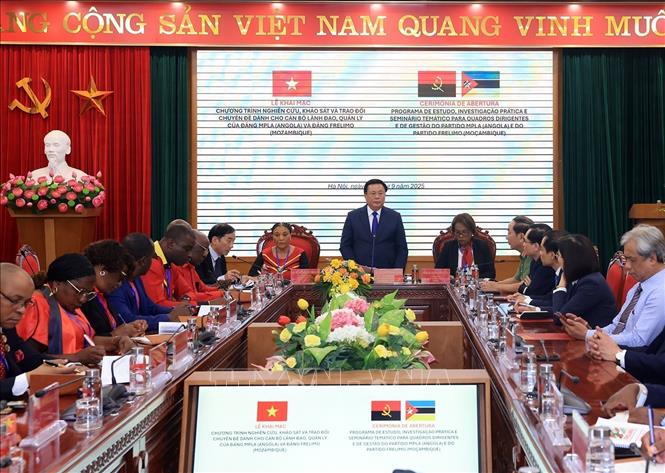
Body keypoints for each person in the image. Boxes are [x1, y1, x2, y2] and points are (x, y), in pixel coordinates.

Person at [16, 254, 134, 364]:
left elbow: (86, 340)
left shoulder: (70, 304)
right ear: (57, 284)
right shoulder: (37, 304)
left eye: (88, 293)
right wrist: (76, 357)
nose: (83, 299)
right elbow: (26, 357)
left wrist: (115, 342)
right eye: (79, 291)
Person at [561, 225, 665, 347]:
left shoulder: (660, 292)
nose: (626, 266)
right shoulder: (638, 287)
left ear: (652, 259)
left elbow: (639, 340)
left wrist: (587, 334)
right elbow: (616, 327)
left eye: (632, 260)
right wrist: (591, 331)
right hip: (614, 351)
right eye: (625, 259)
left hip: (632, 356)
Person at [1, 263, 75, 400]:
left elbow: (31, 358)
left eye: (26, 303)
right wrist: (29, 378)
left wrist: (68, 366)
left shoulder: (6, 330)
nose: (22, 310)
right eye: (15, 300)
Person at [108, 233, 190, 332]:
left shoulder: (137, 279)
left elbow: (149, 307)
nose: (153, 262)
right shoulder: (116, 284)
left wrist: (175, 310)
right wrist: (169, 317)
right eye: (151, 258)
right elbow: (127, 320)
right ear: (143, 261)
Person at [81, 240, 148, 337]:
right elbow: (86, 339)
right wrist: (115, 334)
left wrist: (130, 328)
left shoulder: (104, 295)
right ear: (103, 270)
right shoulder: (83, 298)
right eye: (120, 277)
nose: (120, 284)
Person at [548, 234, 616, 328]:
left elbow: (560, 318)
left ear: (569, 259)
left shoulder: (591, 284)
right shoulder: (580, 278)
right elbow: (560, 308)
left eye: (558, 255)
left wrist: (561, 286)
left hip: (595, 335)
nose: (557, 260)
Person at [340, 178, 408, 270]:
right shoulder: (353, 217)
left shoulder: (395, 217)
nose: (377, 197)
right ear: (365, 196)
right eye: (373, 193)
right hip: (359, 274)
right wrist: (354, 268)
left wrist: (396, 272)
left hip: (387, 273)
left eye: (380, 193)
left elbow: (402, 248)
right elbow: (345, 246)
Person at [509, 230, 568, 312]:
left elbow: (558, 308)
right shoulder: (558, 272)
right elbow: (549, 297)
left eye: (542, 250)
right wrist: (526, 299)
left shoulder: (564, 275)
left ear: (552, 255)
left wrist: (531, 304)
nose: (540, 254)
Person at [141, 223, 198, 307]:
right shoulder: (151, 261)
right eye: (187, 249)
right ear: (170, 244)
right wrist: (189, 305)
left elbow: (188, 292)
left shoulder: (170, 263)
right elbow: (158, 305)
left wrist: (187, 299)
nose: (190, 255)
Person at [480, 216, 533, 293]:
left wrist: (496, 287)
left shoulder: (532, 256)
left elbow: (523, 285)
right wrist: (494, 284)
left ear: (521, 237)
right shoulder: (523, 255)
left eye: (509, 233)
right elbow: (516, 279)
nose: (506, 237)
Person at [435, 213, 496, 279]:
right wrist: (448, 277)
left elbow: (491, 273)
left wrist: (474, 280)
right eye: (458, 232)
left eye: (464, 232)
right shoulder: (448, 247)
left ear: (472, 231)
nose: (461, 236)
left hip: (478, 284)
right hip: (455, 284)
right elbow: (438, 271)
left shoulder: (482, 246)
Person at [173, 231, 226, 304]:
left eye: (207, 250)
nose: (205, 254)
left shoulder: (191, 266)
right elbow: (188, 297)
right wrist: (221, 294)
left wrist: (222, 290)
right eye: (203, 249)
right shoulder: (177, 266)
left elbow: (203, 289)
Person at [515, 224, 556, 298]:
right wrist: (528, 287)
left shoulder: (547, 266)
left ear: (536, 246)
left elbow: (533, 292)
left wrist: (529, 288)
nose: (523, 244)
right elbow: (523, 286)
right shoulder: (534, 261)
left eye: (525, 241)